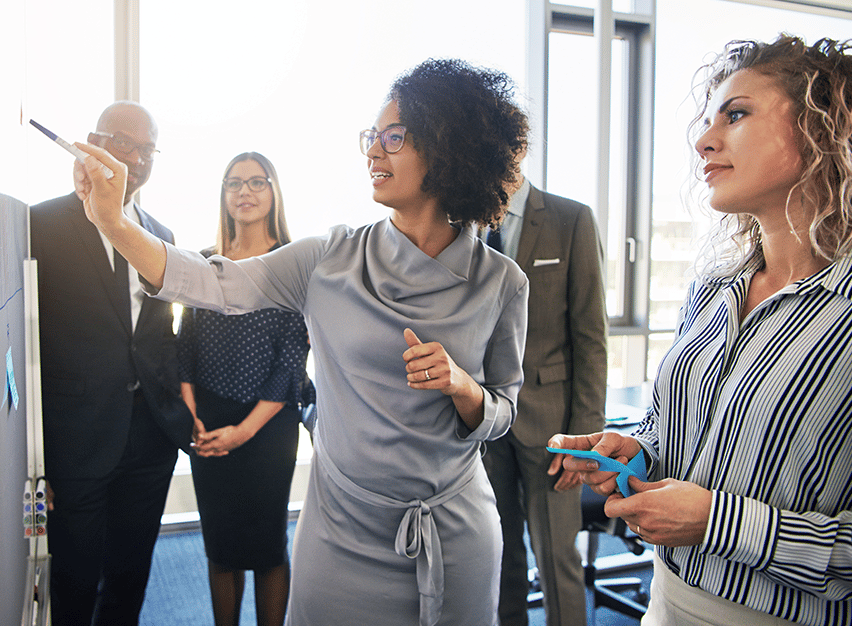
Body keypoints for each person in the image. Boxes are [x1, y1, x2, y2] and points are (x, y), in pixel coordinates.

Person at [72, 58, 530, 626]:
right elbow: (211, 281)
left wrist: (464, 387)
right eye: (372, 137)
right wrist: (115, 225)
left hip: (454, 533)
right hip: (343, 531)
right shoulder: (328, 259)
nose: (372, 152)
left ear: (447, 149)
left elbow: (504, 412)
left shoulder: (503, 282)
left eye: (393, 138)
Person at [551, 35, 852, 626]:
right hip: (666, 600)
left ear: (825, 129)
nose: (704, 140)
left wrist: (718, 521)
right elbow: (673, 430)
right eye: (709, 118)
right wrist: (636, 451)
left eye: (736, 114)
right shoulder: (714, 287)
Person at [30, 101, 193, 625]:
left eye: (147, 148)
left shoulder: (161, 235)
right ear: (92, 142)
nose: (137, 158)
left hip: (150, 435)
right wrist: (37, 456)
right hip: (77, 438)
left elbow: (158, 336)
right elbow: (29, 346)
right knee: (75, 580)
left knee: (130, 576)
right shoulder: (41, 224)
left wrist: (179, 409)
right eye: (124, 143)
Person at [482, 107, 608, 626]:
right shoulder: (459, 225)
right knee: (498, 558)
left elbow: (591, 337)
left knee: (558, 561)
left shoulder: (569, 218)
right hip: (483, 423)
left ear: (519, 146)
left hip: (553, 428)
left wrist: (585, 436)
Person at [177, 151, 312, 626]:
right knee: (221, 545)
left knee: (268, 546)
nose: (245, 192)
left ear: (274, 192)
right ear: (223, 195)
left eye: (257, 182)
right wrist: (190, 416)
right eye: (234, 183)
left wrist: (243, 432)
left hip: (269, 425)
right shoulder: (205, 261)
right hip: (207, 422)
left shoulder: (293, 263)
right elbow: (186, 346)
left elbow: (291, 363)